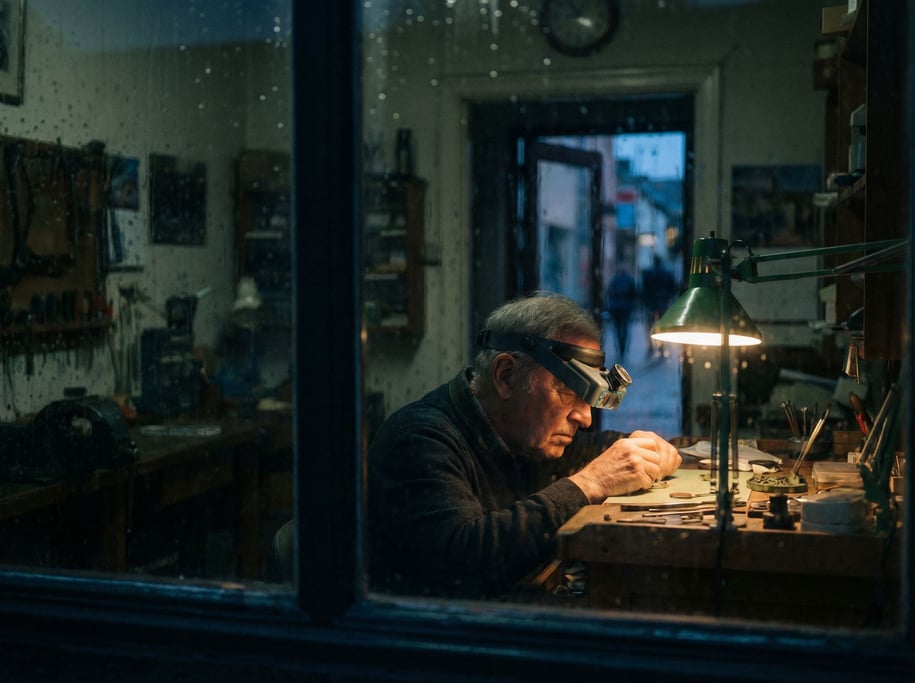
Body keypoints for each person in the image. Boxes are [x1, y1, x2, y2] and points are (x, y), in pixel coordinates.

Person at [367, 291, 682, 600]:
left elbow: (594, 450)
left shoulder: (528, 434)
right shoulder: (419, 440)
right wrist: (591, 482)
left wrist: (643, 449)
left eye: (588, 398)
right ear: (506, 376)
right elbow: (463, 561)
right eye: (568, 391)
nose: (585, 417)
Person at [641, 255, 678, 357]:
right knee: (662, 326)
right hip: (663, 302)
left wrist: (645, 301)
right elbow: (673, 287)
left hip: (651, 303)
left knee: (650, 326)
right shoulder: (667, 273)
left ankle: (650, 346)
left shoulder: (648, 273)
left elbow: (644, 289)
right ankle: (661, 347)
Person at [603, 265, 638, 359]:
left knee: (617, 328)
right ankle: (623, 347)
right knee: (625, 327)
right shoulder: (629, 279)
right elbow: (634, 294)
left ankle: (619, 346)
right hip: (626, 307)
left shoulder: (614, 279)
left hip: (615, 307)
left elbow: (609, 292)